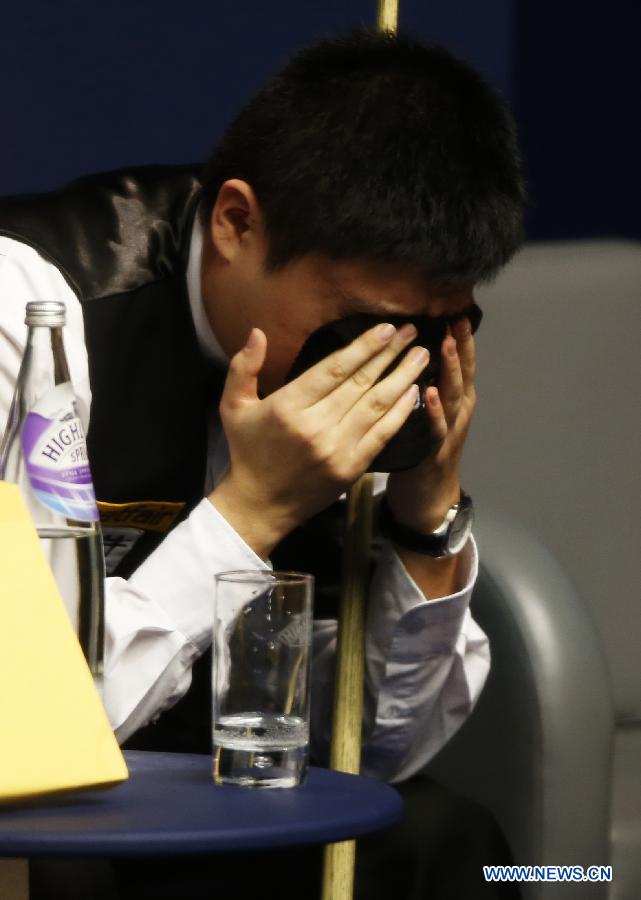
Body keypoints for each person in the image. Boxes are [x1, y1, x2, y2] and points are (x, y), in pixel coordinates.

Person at [0, 30, 524, 898]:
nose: (393, 370)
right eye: (367, 328)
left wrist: (425, 510)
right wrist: (250, 513)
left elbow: (375, 758)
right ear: (237, 223)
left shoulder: (386, 376)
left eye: (438, 329)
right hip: (45, 826)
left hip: (223, 817)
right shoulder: (31, 312)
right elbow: (26, 734)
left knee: (461, 843)